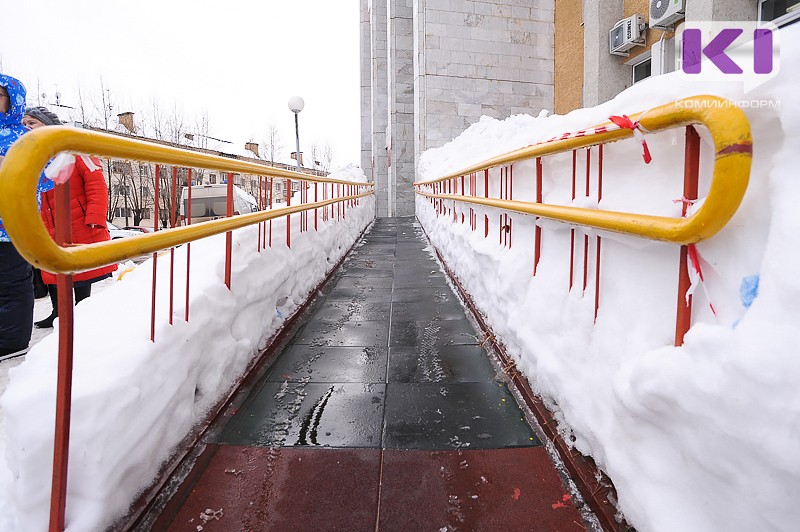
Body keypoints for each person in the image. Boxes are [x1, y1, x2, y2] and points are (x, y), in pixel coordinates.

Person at [22, 106, 117, 329]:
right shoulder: (33, 157)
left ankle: (83, 312)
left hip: (79, 222)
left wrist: (95, 217)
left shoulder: (75, 150)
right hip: (48, 224)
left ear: (49, 126)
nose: (26, 128)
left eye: (32, 123)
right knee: (53, 270)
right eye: (24, 123)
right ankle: (58, 313)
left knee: (80, 270)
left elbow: (96, 184)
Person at [0, 75, 54, 359]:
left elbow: (48, 177)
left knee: (12, 283)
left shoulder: (25, 137)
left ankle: (13, 342)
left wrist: (11, 167)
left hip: (12, 224)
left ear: (13, 101)